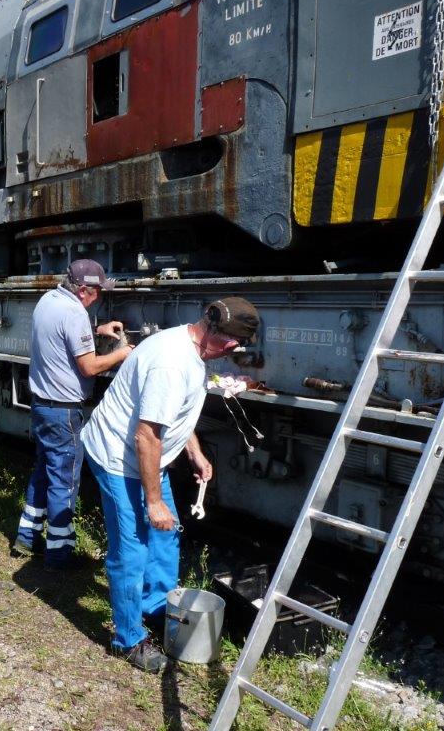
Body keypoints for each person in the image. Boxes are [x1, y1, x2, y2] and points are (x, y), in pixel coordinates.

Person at [80, 297, 260, 672]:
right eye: (234, 345)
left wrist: (194, 453)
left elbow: (174, 413)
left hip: (146, 455)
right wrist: (153, 500)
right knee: (131, 549)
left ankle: (158, 610)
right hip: (119, 456)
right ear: (221, 337)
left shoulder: (190, 349)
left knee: (165, 538)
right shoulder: (172, 363)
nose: (233, 353)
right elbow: (147, 435)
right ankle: (127, 639)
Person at [13, 259, 133, 571]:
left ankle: (26, 538)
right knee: (63, 482)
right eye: (97, 292)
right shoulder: (76, 312)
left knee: (43, 471)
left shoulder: (48, 300)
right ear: (82, 290)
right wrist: (122, 353)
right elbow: (89, 367)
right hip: (64, 411)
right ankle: (59, 554)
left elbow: (61, 333)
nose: (100, 298)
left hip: (41, 405)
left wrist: (97, 330)